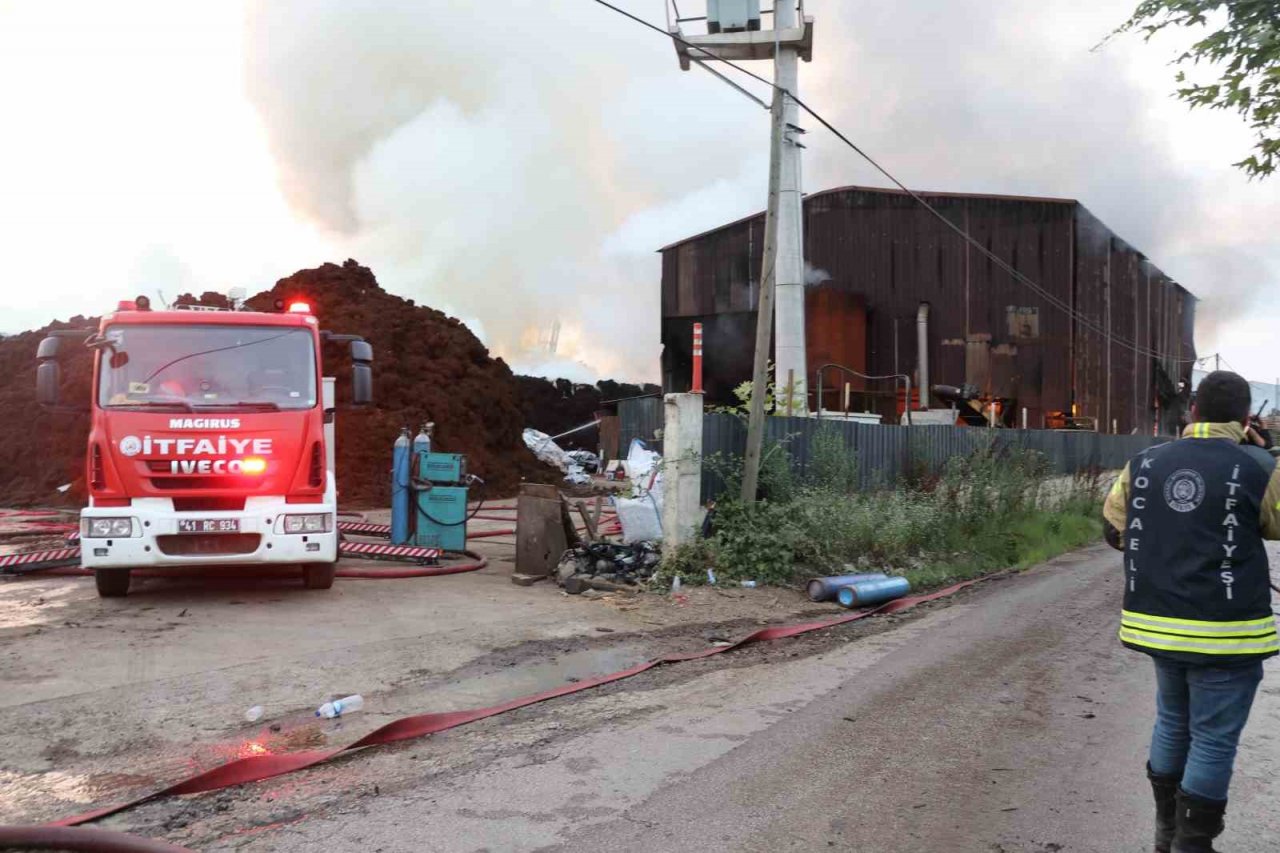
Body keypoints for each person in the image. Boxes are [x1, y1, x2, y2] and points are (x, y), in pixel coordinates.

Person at [1104, 371, 1280, 852]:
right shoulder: (1260, 465)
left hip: (1157, 624)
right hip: (1226, 635)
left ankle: (1167, 835)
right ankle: (1191, 845)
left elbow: (1115, 529)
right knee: (1213, 739)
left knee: (1173, 722)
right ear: (1246, 420)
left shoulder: (1142, 462)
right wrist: (1264, 453)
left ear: (1193, 413)